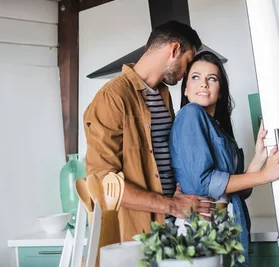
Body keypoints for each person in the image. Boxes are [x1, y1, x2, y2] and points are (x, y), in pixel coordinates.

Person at [84, 21, 216, 241]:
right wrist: (171, 205)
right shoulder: (112, 98)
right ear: (174, 50)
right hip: (137, 236)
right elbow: (103, 181)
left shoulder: (162, 94)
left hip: (172, 226)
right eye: (188, 61)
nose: (187, 71)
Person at [169, 51, 279, 259]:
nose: (203, 84)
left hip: (223, 230)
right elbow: (203, 184)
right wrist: (264, 176)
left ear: (221, 91)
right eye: (195, 77)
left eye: (212, 79)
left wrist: (259, 158)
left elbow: (240, 192)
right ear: (186, 89)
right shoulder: (191, 114)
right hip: (197, 230)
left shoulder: (219, 130)